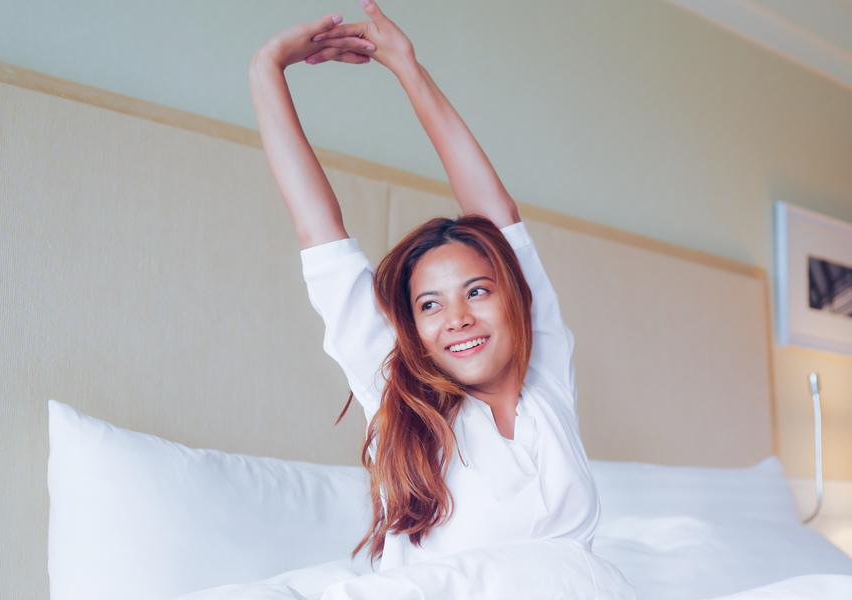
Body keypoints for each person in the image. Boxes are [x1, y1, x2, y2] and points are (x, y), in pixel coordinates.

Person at [249, 0, 603, 574]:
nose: (457, 318)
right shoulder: (397, 391)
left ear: (514, 298)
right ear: (413, 327)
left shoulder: (548, 377)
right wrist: (266, 68)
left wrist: (408, 68)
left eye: (477, 291)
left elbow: (497, 215)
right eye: (430, 305)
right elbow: (319, 230)